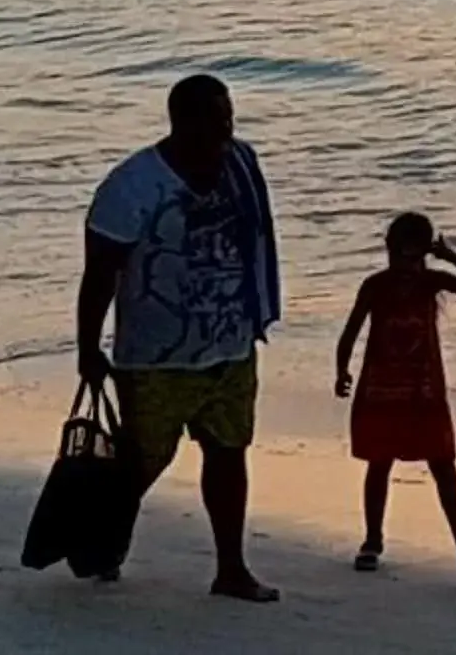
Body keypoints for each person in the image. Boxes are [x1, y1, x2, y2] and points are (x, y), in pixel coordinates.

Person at [77, 74, 284, 603]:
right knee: (142, 461)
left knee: (228, 451)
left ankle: (231, 569)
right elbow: (100, 272)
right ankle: (101, 539)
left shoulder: (241, 163)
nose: (227, 126)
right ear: (182, 121)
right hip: (154, 357)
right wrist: (87, 349)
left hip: (230, 346)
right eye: (215, 117)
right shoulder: (133, 186)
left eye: (229, 115)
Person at [336, 214, 456, 582]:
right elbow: (351, 329)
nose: (407, 264)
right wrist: (341, 371)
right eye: (403, 255)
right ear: (391, 249)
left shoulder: (430, 282)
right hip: (391, 391)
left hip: (420, 394)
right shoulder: (383, 285)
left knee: (439, 467)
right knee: (383, 465)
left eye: (415, 256)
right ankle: (372, 543)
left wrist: (449, 255)